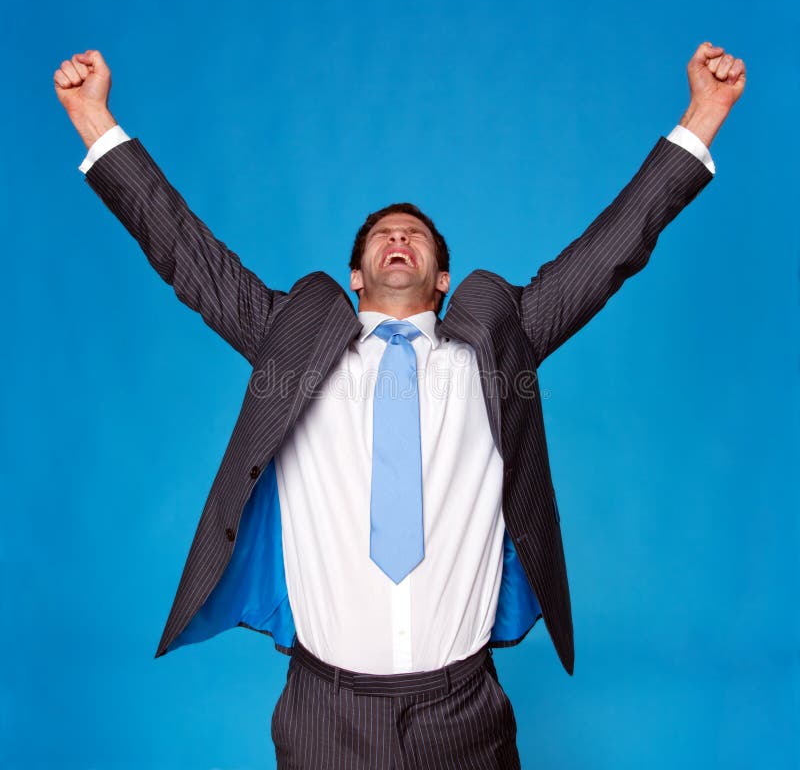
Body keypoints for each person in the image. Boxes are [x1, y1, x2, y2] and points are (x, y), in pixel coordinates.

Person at [54, 42, 745, 769]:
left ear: (441, 276)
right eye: (381, 234)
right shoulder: (289, 347)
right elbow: (184, 251)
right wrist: (94, 119)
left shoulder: (496, 347)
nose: (397, 238)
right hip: (327, 712)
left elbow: (609, 252)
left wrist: (703, 115)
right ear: (355, 274)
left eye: (414, 234)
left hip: (465, 711)